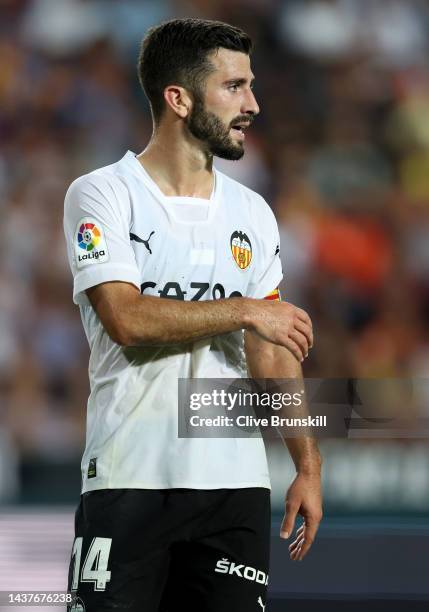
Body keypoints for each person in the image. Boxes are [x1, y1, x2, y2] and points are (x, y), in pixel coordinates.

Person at [63, 18, 322, 612]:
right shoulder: (103, 194)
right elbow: (126, 320)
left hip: (233, 484)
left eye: (251, 86)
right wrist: (245, 310)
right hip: (130, 477)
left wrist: (306, 462)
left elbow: (271, 349)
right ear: (177, 99)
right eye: (234, 87)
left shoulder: (253, 212)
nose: (253, 104)